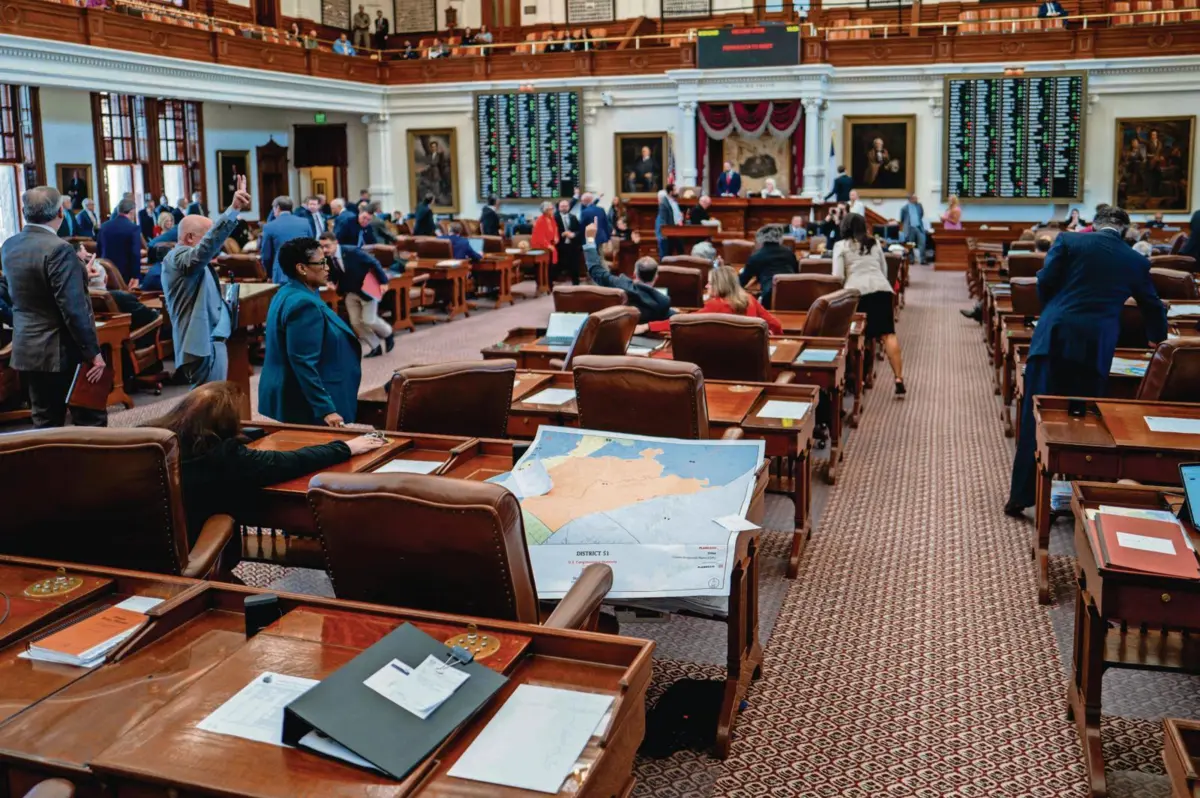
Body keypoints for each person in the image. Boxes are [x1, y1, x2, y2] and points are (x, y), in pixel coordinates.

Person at [1006, 205, 1167, 516]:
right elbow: (1153, 305)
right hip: (1095, 347)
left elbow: (1045, 281)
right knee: (1084, 423)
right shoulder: (1135, 259)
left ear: (1094, 224)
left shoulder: (1068, 241)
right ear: (1125, 231)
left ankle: (1021, 496)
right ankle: (1078, 498)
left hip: (1053, 338)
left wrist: (1056, 310)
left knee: (1037, 414)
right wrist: (1154, 338)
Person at [145, 381, 383, 545]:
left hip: (137, 542)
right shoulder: (224, 457)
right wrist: (346, 447)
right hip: (190, 544)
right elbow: (291, 461)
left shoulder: (149, 436)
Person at [0, 186, 106, 428]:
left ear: (24, 212)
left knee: (45, 421)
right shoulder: (59, 249)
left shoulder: (9, 245)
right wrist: (93, 353)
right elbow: (73, 309)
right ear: (60, 212)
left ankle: (50, 466)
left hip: (27, 347)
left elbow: (22, 288)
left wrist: (76, 270)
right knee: (90, 419)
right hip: (64, 350)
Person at [259, 237, 362, 426]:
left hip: (292, 393)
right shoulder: (304, 305)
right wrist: (326, 409)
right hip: (309, 404)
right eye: (322, 263)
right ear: (302, 268)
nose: (328, 268)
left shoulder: (285, 292)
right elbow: (303, 361)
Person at [163, 175, 251, 387]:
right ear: (190, 238)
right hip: (203, 343)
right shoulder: (177, 257)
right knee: (207, 406)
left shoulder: (190, 259)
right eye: (207, 236)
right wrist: (233, 209)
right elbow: (204, 250)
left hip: (213, 341)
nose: (215, 245)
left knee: (215, 402)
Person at [834, 213, 904, 394]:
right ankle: (898, 378)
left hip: (858, 294)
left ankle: (859, 379)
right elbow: (884, 269)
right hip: (882, 290)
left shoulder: (840, 246)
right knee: (888, 335)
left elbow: (838, 276)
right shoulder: (874, 244)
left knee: (860, 338)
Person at [644, 265, 781, 335]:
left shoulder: (716, 305)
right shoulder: (749, 299)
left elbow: (682, 322)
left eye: (710, 283)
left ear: (719, 285)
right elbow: (776, 325)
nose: (706, 286)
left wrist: (648, 326)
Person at [321, 232, 394, 358]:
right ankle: (375, 346)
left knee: (369, 320)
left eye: (327, 246)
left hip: (366, 290)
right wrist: (330, 282)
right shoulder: (327, 258)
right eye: (322, 247)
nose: (324, 250)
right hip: (349, 292)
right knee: (356, 323)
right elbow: (333, 273)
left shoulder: (352, 251)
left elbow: (374, 262)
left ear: (336, 242)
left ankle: (388, 333)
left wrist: (383, 282)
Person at [583, 221, 672, 324]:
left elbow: (595, 270)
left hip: (619, 335)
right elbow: (677, 321)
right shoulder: (662, 302)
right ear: (656, 277)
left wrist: (589, 239)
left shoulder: (620, 284)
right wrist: (649, 327)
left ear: (634, 273)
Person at [739, 224, 798, 311]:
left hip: (769, 298)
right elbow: (797, 274)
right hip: (794, 295)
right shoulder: (789, 253)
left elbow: (742, 281)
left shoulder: (756, 257)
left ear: (759, 240)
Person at [260, 196, 312, 283]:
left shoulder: (269, 226)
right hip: (304, 270)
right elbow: (312, 247)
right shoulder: (305, 222)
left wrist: (269, 274)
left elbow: (266, 256)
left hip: (281, 273)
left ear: (277, 208)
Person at [96, 197, 142, 283]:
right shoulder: (133, 228)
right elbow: (135, 254)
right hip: (125, 274)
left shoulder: (104, 226)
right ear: (132, 211)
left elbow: (98, 250)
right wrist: (136, 277)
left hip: (105, 271)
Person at [554, 198, 582, 284]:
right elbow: (552, 231)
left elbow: (579, 230)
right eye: (562, 206)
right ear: (558, 207)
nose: (564, 208)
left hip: (572, 245)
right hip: (560, 246)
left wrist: (574, 234)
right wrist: (562, 234)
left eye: (566, 206)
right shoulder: (554, 218)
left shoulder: (573, 217)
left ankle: (576, 284)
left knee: (574, 266)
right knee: (558, 266)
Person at [655, 184, 682, 259]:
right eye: (675, 190)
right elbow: (663, 220)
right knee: (665, 254)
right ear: (670, 192)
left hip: (675, 230)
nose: (677, 192)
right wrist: (664, 233)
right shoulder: (664, 204)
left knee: (678, 250)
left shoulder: (674, 202)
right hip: (667, 232)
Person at [898, 194, 927, 264]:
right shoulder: (904, 208)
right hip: (910, 228)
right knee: (910, 244)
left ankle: (923, 260)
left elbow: (921, 215)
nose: (917, 199)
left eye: (916, 198)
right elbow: (902, 219)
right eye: (915, 198)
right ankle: (911, 260)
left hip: (919, 227)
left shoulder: (919, 206)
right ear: (910, 199)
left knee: (922, 243)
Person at [532, 201, 560, 266]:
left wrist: (556, 237)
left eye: (553, 208)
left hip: (550, 243)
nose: (553, 210)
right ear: (546, 210)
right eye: (551, 209)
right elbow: (540, 236)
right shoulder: (540, 220)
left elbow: (555, 229)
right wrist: (548, 245)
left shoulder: (552, 218)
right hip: (540, 245)